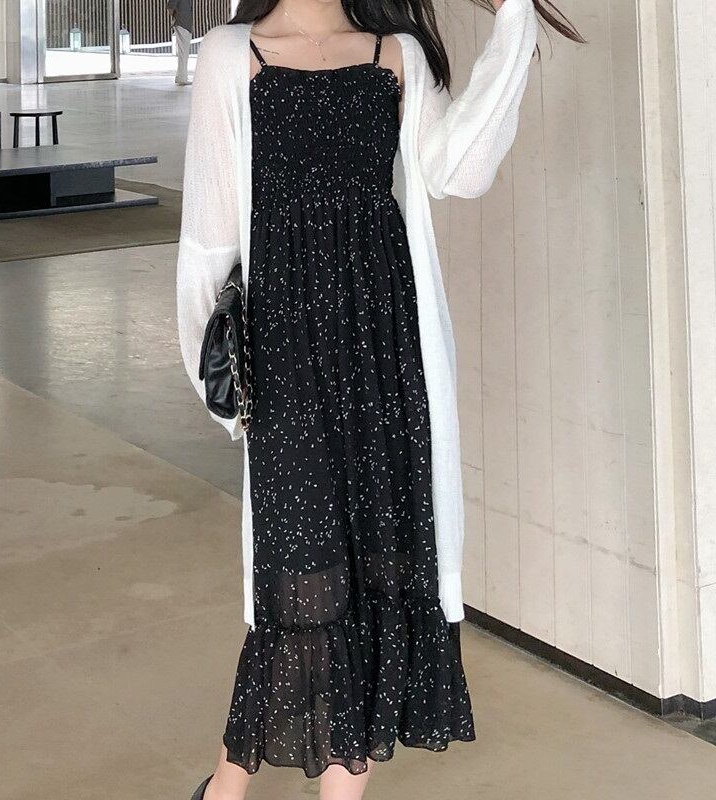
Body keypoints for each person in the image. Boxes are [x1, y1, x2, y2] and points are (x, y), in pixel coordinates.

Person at [176, 1, 583, 799]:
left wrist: (514, 25)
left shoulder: (396, 54)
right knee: (299, 583)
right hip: (288, 360)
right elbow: (208, 238)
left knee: (376, 575)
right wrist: (225, 391)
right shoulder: (232, 55)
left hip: (386, 352)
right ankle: (224, 788)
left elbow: (458, 170)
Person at [168, 0, 194, 86]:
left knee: (183, 52)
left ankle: (180, 77)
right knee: (184, 52)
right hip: (182, 24)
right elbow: (170, 7)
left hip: (185, 24)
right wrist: (177, 18)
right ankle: (182, 78)